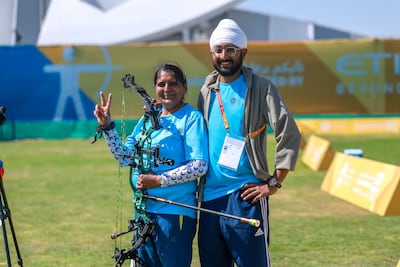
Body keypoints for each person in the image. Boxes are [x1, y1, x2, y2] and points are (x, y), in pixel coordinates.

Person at [197, 18, 301, 267]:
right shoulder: (206, 91)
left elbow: (289, 132)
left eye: (231, 50)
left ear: (243, 52)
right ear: (212, 53)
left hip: (246, 197)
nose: (224, 56)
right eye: (219, 50)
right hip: (210, 199)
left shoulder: (261, 88)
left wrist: (274, 183)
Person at [93, 63, 209, 267]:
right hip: (143, 214)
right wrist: (107, 127)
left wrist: (158, 180)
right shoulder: (147, 119)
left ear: (184, 86)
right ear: (155, 87)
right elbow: (124, 157)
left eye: (173, 83)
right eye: (161, 84)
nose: (167, 89)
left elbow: (199, 166)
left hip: (175, 215)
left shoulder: (191, 118)